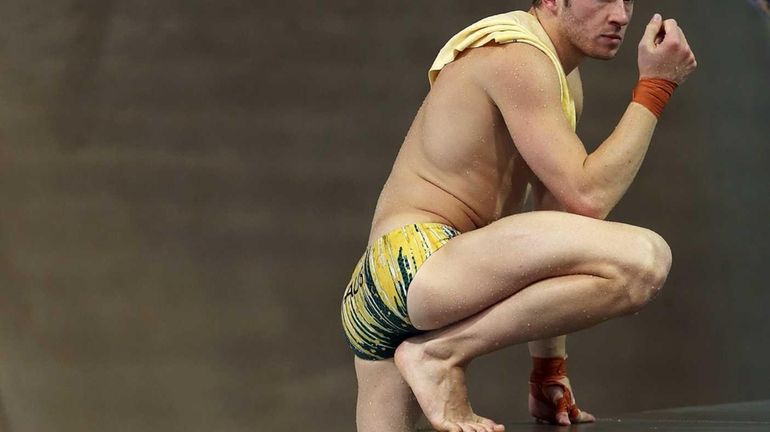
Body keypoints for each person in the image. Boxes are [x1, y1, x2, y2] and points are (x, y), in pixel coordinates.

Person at [340, 0, 697, 431]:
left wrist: (549, 370)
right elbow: (589, 197)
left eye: (626, 0)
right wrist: (656, 86)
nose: (620, 15)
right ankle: (440, 353)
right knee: (645, 259)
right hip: (421, 259)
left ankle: (436, 352)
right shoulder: (518, 56)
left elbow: (561, 217)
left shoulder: (557, 74)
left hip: (387, 285)